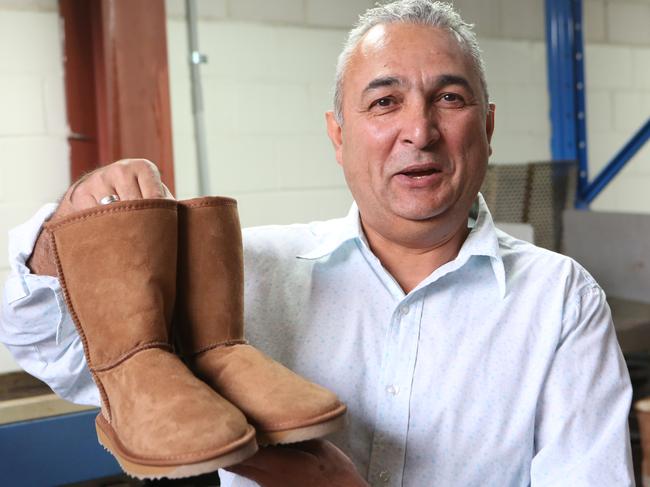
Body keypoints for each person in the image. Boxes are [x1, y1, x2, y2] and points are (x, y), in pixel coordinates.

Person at [0, 1, 634, 485]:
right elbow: (48, 346)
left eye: (449, 97)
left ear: (487, 126)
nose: (420, 130)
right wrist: (71, 229)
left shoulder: (560, 300)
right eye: (384, 102)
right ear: (338, 136)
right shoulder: (245, 274)